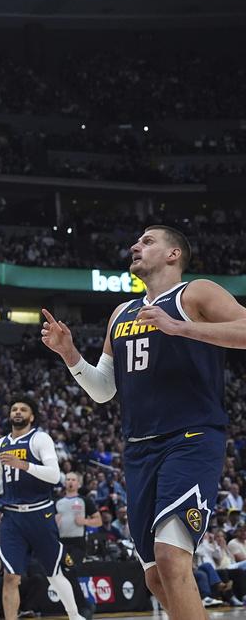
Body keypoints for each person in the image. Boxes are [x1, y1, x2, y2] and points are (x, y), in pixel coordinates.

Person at [42, 225, 246, 620]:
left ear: (173, 254)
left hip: (190, 437)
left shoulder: (195, 293)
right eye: (137, 240)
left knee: (171, 558)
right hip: (139, 449)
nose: (135, 245)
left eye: (148, 241)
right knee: (155, 577)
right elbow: (104, 390)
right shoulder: (121, 313)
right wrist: (69, 355)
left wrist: (181, 327)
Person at [0, 398, 86, 620]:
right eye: (14, 409)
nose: (17, 412)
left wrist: (24, 465)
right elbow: (1, 476)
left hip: (40, 513)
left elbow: (54, 475)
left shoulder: (40, 439)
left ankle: (74, 615)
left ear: (31, 416)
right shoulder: (2, 443)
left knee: (53, 573)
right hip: (12, 517)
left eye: (23, 409)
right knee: (10, 576)